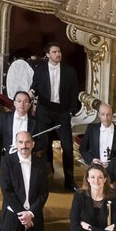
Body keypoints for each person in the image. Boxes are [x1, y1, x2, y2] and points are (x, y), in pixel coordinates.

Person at [31, 42, 79, 188]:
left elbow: (74, 92)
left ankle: (69, 180)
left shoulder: (69, 71)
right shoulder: (39, 70)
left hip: (62, 112)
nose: (58, 54)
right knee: (45, 145)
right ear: (47, 55)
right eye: (54, 52)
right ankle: (48, 176)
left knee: (68, 147)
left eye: (59, 51)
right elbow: (36, 87)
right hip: (44, 111)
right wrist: (32, 92)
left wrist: (71, 111)